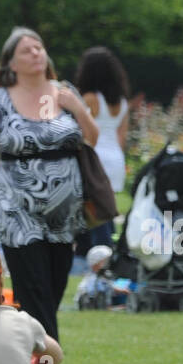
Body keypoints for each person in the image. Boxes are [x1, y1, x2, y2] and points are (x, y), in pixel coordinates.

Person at [0, 27, 98, 342]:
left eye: (38, 48)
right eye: (26, 50)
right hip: (16, 204)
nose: (36, 53)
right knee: (31, 278)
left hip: (64, 208)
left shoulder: (65, 93)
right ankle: (46, 352)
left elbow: (91, 140)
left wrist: (78, 108)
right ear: (10, 64)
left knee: (56, 278)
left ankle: (33, 341)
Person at [74, 46, 131, 252]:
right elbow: (121, 137)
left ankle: (102, 252)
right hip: (115, 158)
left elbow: (84, 131)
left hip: (96, 158)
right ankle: (110, 250)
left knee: (96, 212)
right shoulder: (122, 102)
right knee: (107, 207)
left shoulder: (90, 99)